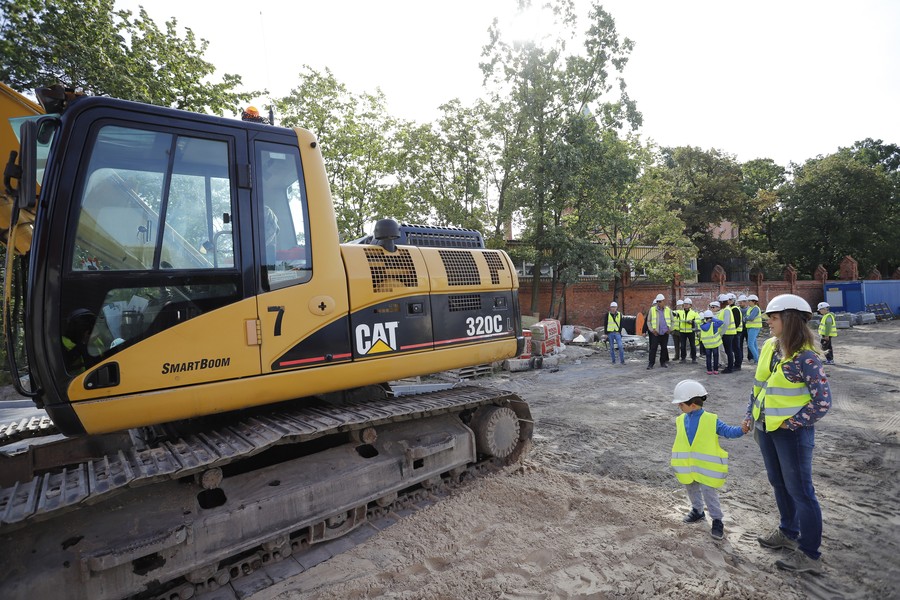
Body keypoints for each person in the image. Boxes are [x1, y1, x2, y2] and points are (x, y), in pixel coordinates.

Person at [742, 294, 831, 574]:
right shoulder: (770, 346)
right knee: (778, 483)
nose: (768, 322)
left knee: (801, 491)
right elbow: (759, 386)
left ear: (790, 320)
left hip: (790, 435)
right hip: (765, 428)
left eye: (774, 317)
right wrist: (749, 414)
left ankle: (810, 554)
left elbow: (822, 402)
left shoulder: (806, 358)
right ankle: (788, 532)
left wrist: (790, 424)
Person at [670, 379, 748, 540]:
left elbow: (728, 431)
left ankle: (717, 520)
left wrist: (741, 430)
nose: (679, 407)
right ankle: (697, 511)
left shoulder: (711, 420)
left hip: (706, 467)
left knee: (709, 493)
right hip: (689, 466)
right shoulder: (680, 420)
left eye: (681, 404)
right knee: (691, 488)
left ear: (692, 405)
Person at [646, 294, 673, 369]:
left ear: (664, 301)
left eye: (660, 301)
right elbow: (648, 321)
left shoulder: (668, 310)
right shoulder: (652, 310)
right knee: (653, 348)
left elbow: (673, 321)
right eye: (657, 301)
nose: (658, 303)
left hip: (665, 333)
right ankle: (651, 364)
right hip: (656, 333)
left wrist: (670, 330)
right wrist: (652, 330)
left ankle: (663, 362)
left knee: (664, 348)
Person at [698, 309, 724, 375]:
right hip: (714, 344)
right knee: (715, 357)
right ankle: (715, 370)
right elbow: (721, 322)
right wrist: (713, 319)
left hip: (707, 345)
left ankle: (709, 370)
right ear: (711, 317)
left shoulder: (702, 325)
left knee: (708, 357)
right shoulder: (714, 325)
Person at [679, 298, 700, 364]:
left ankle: (694, 358)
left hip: (691, 331)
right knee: (682, 346)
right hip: (682, 332)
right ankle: (683, 358)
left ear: (690, 305)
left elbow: (698, 320)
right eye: (685, 304)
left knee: (693, 345)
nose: (686, 305)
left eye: (687, 304)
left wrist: (692, 322)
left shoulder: (694, 313)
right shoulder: (680, 312)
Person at [744, 294, 763, 363]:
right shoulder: (751, 308)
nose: (748, 302)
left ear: (754, 301)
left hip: (754, 328)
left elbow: (751, 318)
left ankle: (757, 359)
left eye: (749, 301)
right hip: (751, 328)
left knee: (750, 344)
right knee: (754, 344)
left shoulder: (755, 308)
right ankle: (757, 358)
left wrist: (746, 318)